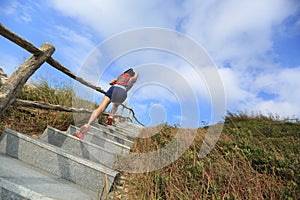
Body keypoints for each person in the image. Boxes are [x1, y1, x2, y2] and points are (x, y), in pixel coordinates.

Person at [75, 68, 138, 139]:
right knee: (116, 104)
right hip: (122, 91)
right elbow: (127, 88)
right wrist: (136, 74)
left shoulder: (121, 76)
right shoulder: (131, 80)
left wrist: (115, 82)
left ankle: (87, 125)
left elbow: (110, 83)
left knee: (101, 108)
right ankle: (111, 116)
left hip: (113, 88)